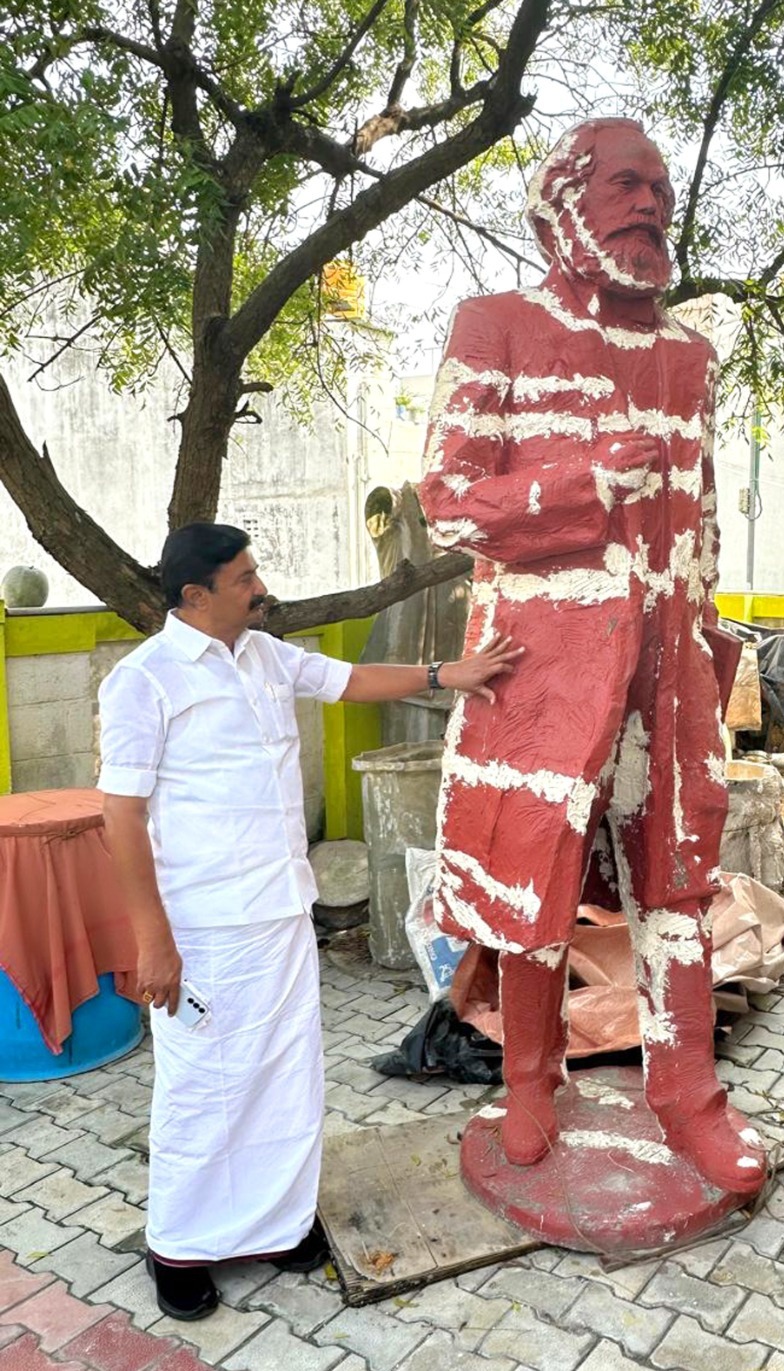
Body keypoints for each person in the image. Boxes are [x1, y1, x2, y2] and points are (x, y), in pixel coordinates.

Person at [417, 117, 769, 1196]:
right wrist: (578, 488)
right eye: (624, 183)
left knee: (678, 881)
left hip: (668, 672)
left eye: (658, 187)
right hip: (542, 677)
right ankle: (532, 1081)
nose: (649, 203)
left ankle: (686, 1095)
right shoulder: (496, 326)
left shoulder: (689, 354)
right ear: (561, 199)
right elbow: (443, 502)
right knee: (537, 884)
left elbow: (701, 521)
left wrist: (711, 654)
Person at [97, 521, 521, 1321]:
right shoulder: (142, 681)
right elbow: (121, 815)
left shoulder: (262, 653)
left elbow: (348, 677)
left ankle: (273, 1225)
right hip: (205, 926)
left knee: (287, 1076)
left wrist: (448, 672)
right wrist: (150, 936)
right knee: (203, 1087)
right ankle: (180, 1244)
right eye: (244, 577)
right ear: (195, 595)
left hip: (283, 911)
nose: (259, 586)